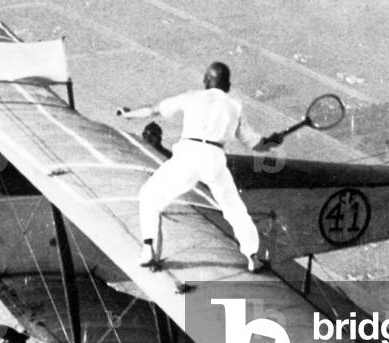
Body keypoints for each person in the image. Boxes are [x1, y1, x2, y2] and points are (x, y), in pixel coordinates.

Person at [117, 62, 282, 273]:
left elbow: (154, 110)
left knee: (149, 195)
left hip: (188, 154)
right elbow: (256, 144)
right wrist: (272, 141)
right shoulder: (235, 107)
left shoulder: (192, 96)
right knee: (235, 210)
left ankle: (148, 249)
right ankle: (253, 257)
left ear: (206, 81)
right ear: (228, 84)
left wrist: (128, 114)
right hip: (214, 158)